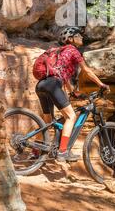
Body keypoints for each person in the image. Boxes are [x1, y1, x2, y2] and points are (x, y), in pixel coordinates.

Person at [35, 27, 110, 162]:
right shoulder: (73, 51)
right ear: (71, 39)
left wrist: (73, 92)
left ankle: (35, 150)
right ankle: (63, 152)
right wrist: (101, 85)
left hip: (41, 85)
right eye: (78, 36)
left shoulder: (58, 51)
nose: (81, 38)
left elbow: (63, 77)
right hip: (53, 84)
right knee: (71, 116)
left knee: (46, 121)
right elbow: (86, 70)